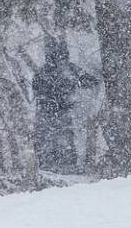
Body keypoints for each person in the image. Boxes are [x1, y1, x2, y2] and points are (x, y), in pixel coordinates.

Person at [31, 37, 96, 173]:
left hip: (53, 113)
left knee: (56, 142)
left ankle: (56, 167)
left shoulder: (49, 71)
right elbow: (89, 80)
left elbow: (89, 80)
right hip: (55, 113)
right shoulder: (66, 69)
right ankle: (59, 167)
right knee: (58, 141)